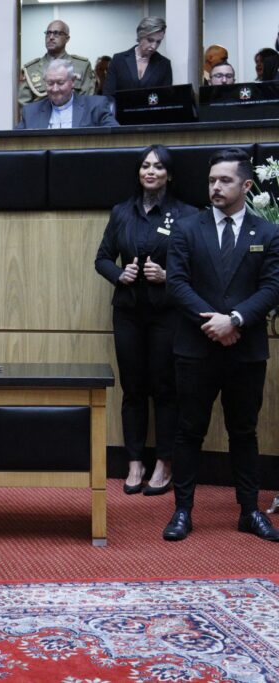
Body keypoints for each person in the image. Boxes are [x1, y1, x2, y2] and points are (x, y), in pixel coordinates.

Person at [163, 148, 279, 543]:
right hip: (196, 348)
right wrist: (213, 321)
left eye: (224, 180)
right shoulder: (186, 228)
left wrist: (235, 320)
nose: (215, 186)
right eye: (212, 179)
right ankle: (182, 511)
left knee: (243, 432)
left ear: (246, 185)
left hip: (245, 349)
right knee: (188, 431)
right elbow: (176, 283)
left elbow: (273, 286)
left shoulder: (268, 233)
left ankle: (249, 511)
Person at [94, 145, 197, 497]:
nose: (150, 171)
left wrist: (168, 276)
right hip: (128, 312)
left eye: (157, 166)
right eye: (145, 166)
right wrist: (120, 274)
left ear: (170, 174)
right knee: (133, 389)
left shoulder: (187, 215)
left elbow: (199, 268)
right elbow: (103, 258)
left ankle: (164, 462)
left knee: (165, 389)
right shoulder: (122, 212)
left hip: (167, 313)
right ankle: (135, 460)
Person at [16, 60, 118, 129]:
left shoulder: (96, 106)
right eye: (50, 83)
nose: (55, 89)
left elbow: (116, 137)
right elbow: (15, 144)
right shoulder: (31, 112)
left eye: (60, 83)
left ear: (72, 81)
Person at [19, 20, 95, 106]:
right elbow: (24, 107)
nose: (51, 37)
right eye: (48, 33)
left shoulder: (82, 66)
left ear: (67, 38)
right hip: (41, 118)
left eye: (56, 33)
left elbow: (88, 102)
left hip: (75, 117)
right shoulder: (31, 69)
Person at [103, 17, 173, 98]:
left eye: (158, 42)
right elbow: (108, 95)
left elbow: (167, 99)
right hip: (121, 110)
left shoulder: (164, 64)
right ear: (140, 36)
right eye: (150, 40)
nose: (154, 46)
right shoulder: (118, 60)